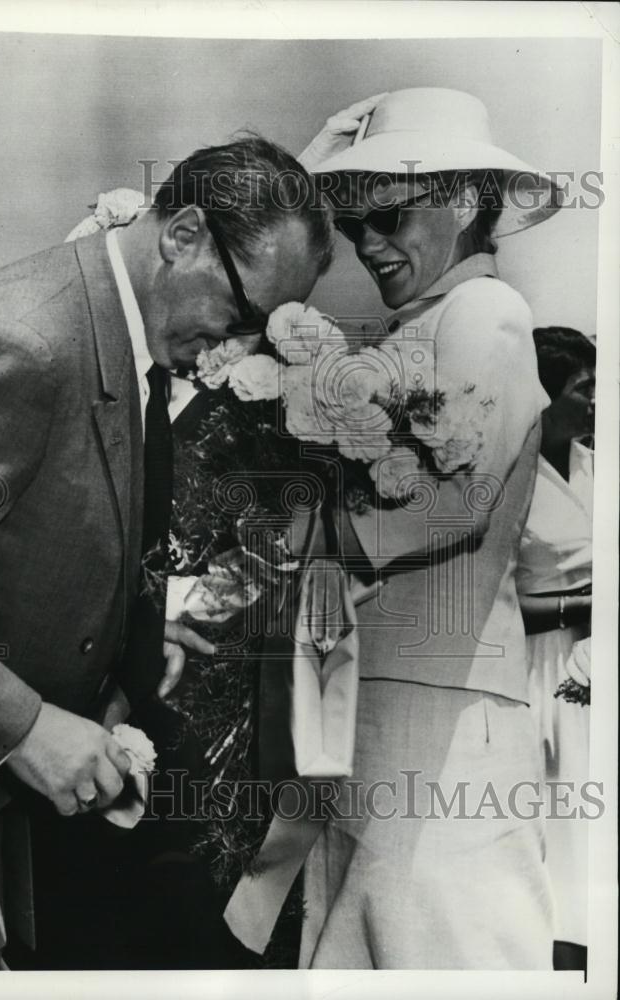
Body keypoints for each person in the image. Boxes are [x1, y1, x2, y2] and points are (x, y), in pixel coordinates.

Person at [0, 136, 332, 970]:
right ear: (184, 234)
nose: (234, 343)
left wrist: (121, 665)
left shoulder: (120, 342)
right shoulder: (24, 341)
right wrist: (26, 728)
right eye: (238, 314)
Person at [287, 87, 563, 968]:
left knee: (447, 949)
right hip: (382, 693)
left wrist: (300, 537)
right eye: (353, 223)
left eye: (389, 217)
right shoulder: (427, 323)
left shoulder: (485, 314)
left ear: (463, 202)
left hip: (446, 711)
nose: (368, 245)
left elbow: (454, 501)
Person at [517, 326, 595, 972]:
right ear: (542, 398)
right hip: (541, 670)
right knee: (556, 832)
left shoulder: (599, 464)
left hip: (600, 662)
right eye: (582, 389)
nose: (595, 401)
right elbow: (491, 608)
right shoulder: (511, 483)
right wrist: (586, 607)